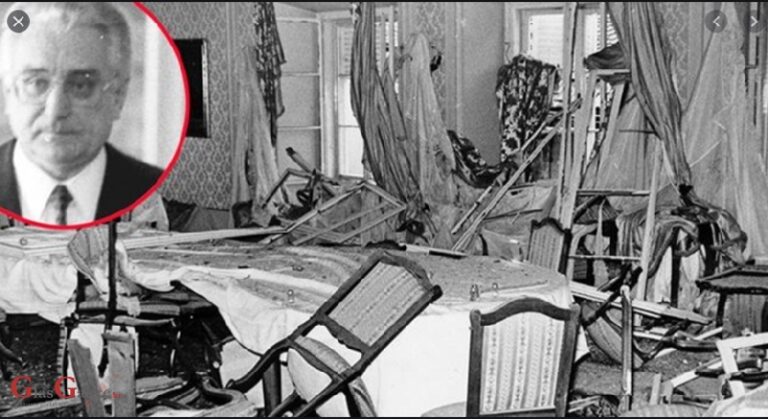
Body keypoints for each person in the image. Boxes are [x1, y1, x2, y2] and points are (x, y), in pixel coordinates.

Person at [0, 2, 162, 226]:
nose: (56, 110)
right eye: (37, 83)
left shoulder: (155, 191)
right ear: (8, 93)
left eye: (81, 85)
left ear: (118, 96)